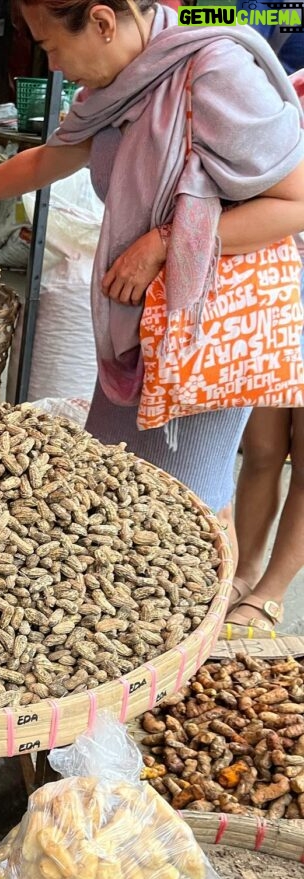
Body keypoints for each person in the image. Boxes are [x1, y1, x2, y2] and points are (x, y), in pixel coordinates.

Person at [0, 0, 304, 545]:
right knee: (118, 489)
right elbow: (54, 156)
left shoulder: (216, 72)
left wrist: (164, 244)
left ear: (100, 22)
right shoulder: (119, 83)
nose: (51, 66)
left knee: (189, 508)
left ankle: (205, 620)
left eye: (50, 47)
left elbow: (296, 202)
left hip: (206, 330)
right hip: (137, 326)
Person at [223, 3, 304, 630]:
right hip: (279, 287)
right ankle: (244, 571)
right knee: (263, 445)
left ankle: (270, 590)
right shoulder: (291, 92)